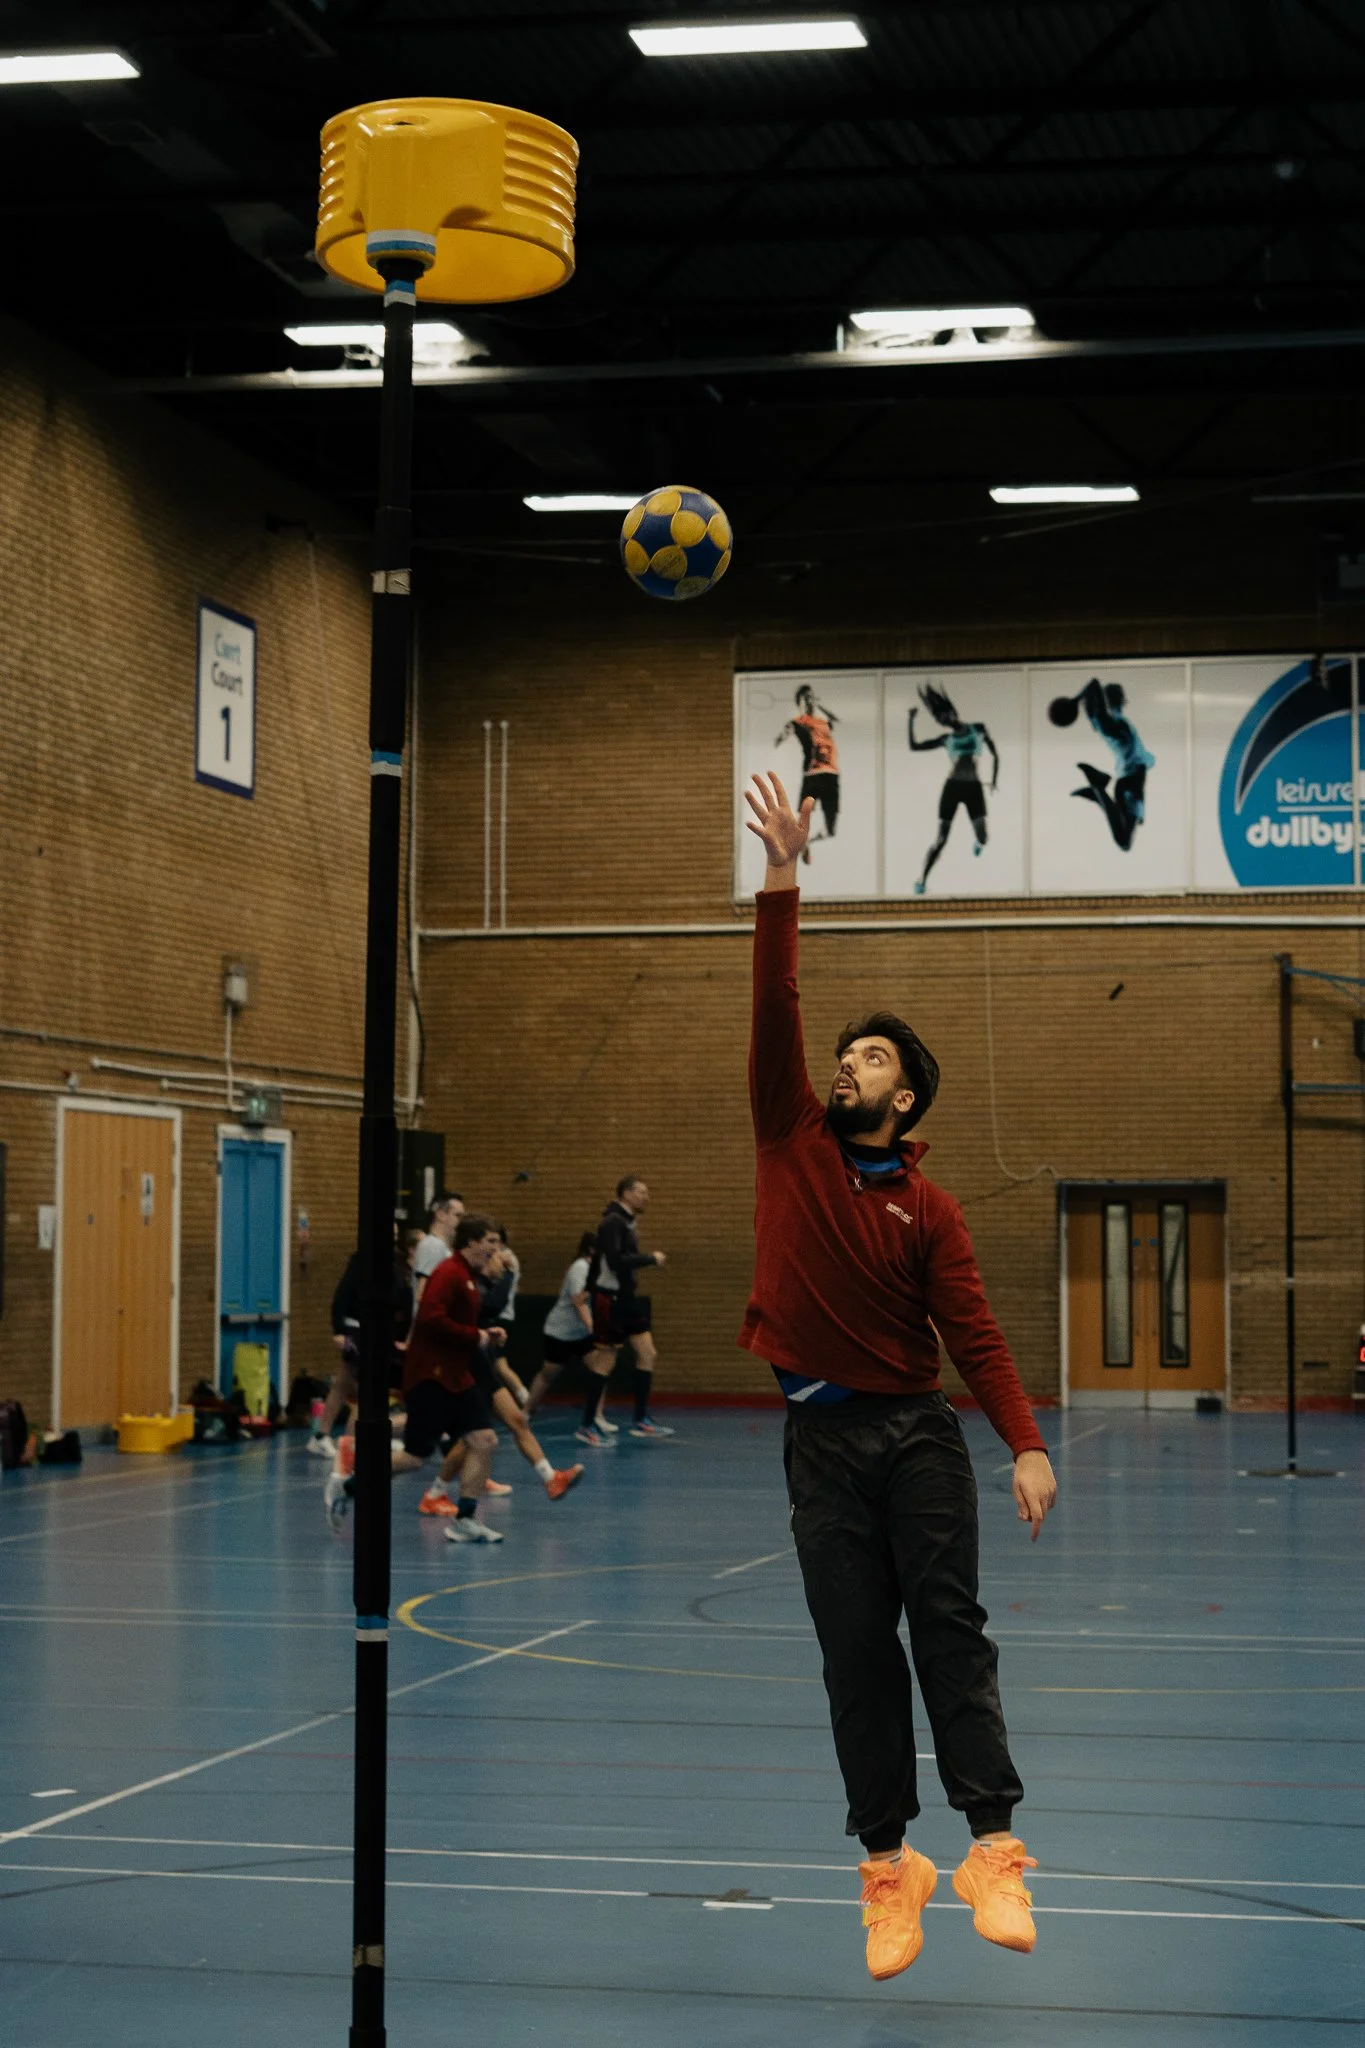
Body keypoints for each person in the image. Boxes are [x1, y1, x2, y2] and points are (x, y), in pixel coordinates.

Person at [741, 769, 1058, 1983]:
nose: (845, 1063)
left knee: (948, 1632)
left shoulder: (929, 1206)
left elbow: (974, 1335)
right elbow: (774, 1004)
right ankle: (888, 1868)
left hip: (917, 1436)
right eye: (843, 1051)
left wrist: (1024, 1439)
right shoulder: (789, 1139)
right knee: (853, 1654)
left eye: (869, 1056)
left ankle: (992, 1848)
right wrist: (784, 872)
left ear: (905, 1091)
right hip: (820, 1442)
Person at [327, 1213, 506, 1540]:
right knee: (413, 1458)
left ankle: (465, 1519)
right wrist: (474, 1336)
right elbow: (430, 1319)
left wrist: (482, 1333)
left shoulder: (468, 1276)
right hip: (431, 1377)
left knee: (484, 1440)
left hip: (456, 1377)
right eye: (490, 1242)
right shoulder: (448, 1273)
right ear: (471, 1242)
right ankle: (349, 1486)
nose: (495, 1250)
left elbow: (459, 1324)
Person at [576, 1178, 671, 1445]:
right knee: (606, 1359)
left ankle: (641, 1419)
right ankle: (586, 1424)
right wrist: (651, 1259)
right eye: (642, 1192)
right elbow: (614, 1261)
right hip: (612, 1299)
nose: (646, 1197)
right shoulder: (612, 1222)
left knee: (647, 1353)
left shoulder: (626, 1221)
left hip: (627, 1298)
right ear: (626, 1193)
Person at [311, 1232, 411, 1458]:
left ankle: (323, 1435)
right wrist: (338, 1330)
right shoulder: (363, 1260)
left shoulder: (394, 1262)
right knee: (367, 1386)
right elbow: (342, 1295)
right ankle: (350, 1441)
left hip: (376, 1331)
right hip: (358, 1330)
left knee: (344, 1383)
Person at [908, 682, 999, 895]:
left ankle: (978, 842)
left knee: (984, 837)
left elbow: (995, 753)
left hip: (974, 788)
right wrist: (910, 720)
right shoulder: (945, 739)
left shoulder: (978, 729)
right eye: (939, 719)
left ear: (952, 711)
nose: (944, 720)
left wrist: (994, 779)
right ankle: (922, 879)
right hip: (952, 787)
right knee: (941, 839)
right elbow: (914, 746)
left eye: (945, 714)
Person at [1069, 676, 1154, 851]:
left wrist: (1078, 700)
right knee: (1124, 842)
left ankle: (1098, 790)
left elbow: (1141, 764)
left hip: (1130, 781)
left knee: (1124, 839)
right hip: (1129, 783)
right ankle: (1098, 789)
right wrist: (1076, 700)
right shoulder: (1111, 722)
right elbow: (1093, 683)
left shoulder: (1110, 721)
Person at [526, 1231, 597, 1417]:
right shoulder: (580, 1268)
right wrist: (592, 1328)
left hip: (581, 1334)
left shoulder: (597, 1270)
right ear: (591, 1249)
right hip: (560, 1332)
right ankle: (526, 1410)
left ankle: (597, 1416)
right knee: (548, 1374)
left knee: (600, 1369)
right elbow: (578, 1302)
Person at [775, 683, 839, 862]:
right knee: (800, 820)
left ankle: (808, 842)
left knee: (830, 830)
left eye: (811, 697)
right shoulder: (796, 723)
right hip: (812, 775)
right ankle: (790, 848)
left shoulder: (824, 722)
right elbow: (782, 736)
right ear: (799, 703)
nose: (809, 701)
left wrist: (819, 707)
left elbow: (836, 720)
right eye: (805, 698)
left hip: (831, 776)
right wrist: (779, 741)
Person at [411, 1190, 464, 1305]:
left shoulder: (441, 1246)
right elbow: (422, 1293)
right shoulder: (432, 1246)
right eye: (457, 1215)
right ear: (440, 1215)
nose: (461, 1221)